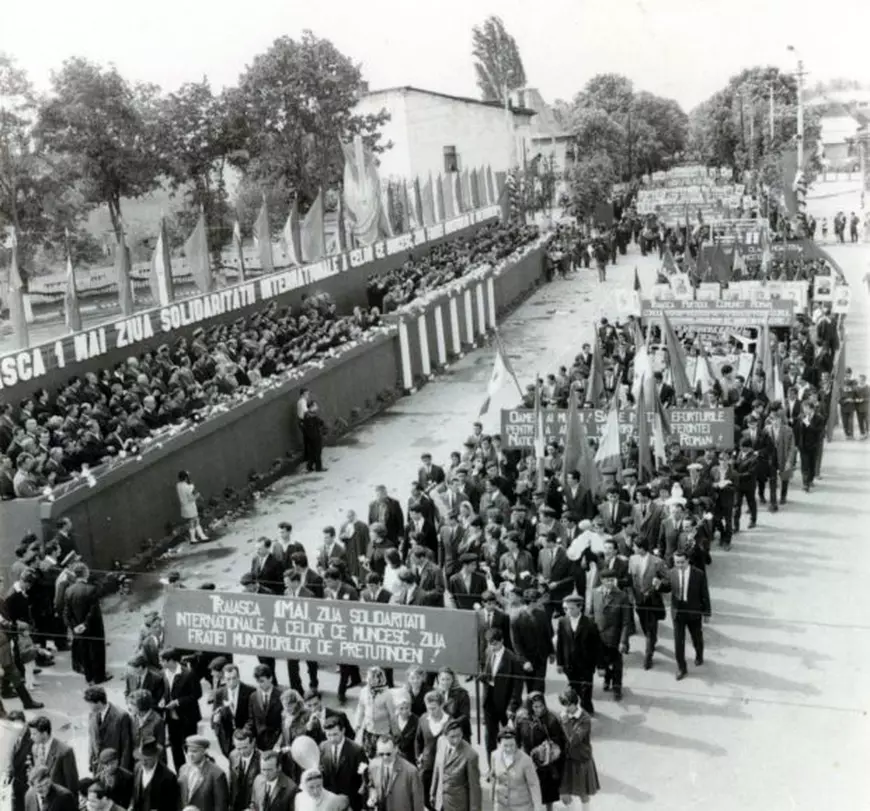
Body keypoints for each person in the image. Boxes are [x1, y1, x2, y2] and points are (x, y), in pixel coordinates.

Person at [660, 549, 712, 681]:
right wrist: (658, 586)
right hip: (678, 612)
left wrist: (707, 613)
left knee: (697, 638)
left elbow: (704, 594)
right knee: (679, 641)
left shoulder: (698, 574)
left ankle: (699, 655)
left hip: (694, 612)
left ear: (688, 560)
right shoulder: (671, 573)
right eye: (677, 562)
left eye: (682, 562)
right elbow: (667, 587)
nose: (680, 565)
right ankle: (681, 668)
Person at [478, 628, 524, 763]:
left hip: (505, 704)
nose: (492, 647)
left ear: (502, 641)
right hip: (489, 701)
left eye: (495, 644)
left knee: (509, 738)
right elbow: (489, 673)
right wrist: (484, 677)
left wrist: (512, 706)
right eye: (490, 644)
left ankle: (511, 766)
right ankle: (491, 767)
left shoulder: (512, 659)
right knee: (489, 737)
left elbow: (517, 687)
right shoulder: (487, 652)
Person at [515, 692, 565, 811]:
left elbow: (558, 742)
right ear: (529, 706)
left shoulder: (551, 720)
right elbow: (517, 738)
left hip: (546, 762)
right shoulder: (522, 718)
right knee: (529, 793)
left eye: (541, 706)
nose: (539, 709)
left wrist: (544, 749)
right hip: (527, 760)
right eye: (535, 706)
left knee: (548, 794)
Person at [588, 568, 631, 700]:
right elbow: (591, 614)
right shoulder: (595, 593)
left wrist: (623, 641)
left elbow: (626, 622)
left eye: (612, 580)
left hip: (615, 637)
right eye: (607, 580)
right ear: (601, 580)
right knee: (603, 661)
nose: (610, 583)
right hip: (599, 636)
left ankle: (617, 687)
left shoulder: (622, 596)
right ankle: (607, 679)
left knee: (617, 663)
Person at [63, 563, 110, 685]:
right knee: (97, 651)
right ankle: (99, 676)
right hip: (93, 626)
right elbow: (93, 611)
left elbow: (67, 612)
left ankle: (88, 677)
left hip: (77, 628)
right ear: (86, 573)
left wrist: (74, 626)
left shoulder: (69, 590)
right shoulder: (91, 589)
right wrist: (85, 624)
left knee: (84, 651)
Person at [554, 594, 600, 714]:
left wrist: (600, 666)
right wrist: (559, 663)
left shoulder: (589, 623)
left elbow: (597, 646)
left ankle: (586, 710)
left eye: (571, 608)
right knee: (574, 689)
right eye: (566, 609)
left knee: (586, 690)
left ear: (580, 607)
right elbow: (560, 644)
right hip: (569, 664)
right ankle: (579, 708)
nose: (568, 611)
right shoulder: (562, 622)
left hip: (586, 665)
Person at [627, 538, 668, 670]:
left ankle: (648, 656)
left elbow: (667, 579)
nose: (633, 549)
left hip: (652, 601)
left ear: (642, 548)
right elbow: (631, 579)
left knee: (650, 627)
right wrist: (631, 596)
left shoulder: (658, 562)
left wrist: (659, 583)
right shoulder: (632, 559)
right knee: (645, 625)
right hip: (639, 600)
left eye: (635, 546)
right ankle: (652, 640)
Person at [557, 688, 599, 810]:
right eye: (563, 704)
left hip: (581, 759)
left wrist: (565, 722)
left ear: (575, 703)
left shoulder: (584, 718)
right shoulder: (563, 715)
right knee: (564, 793)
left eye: (568, 704)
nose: (566, 707)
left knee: (582, 793)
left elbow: (574, 739)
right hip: (567, 760)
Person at [430, 718, 481, 811]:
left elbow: (475, 788)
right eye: (452, 737)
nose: (456, 740)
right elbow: (437, 768)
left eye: (459, 735)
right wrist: (432, 792)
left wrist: (475, 809)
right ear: (445, 736)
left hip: (458, 805)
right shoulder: (440, 742)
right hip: (440, 802)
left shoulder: (471, 755)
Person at [319, 714, 367, 811]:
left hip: (350, 801)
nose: (332, 739)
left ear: (343, 731)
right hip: (330, 800)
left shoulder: (357, 751)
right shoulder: (323, 747)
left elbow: (364, 778)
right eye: (328, 735)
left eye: (335, 734)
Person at [366, 733, 425, 811]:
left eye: (388, 754)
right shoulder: (373, 765)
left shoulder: (411, 771)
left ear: (396, 749)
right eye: (381, 754)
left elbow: (418, 803)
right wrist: (373, 797)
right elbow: (372, 785)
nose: (385, 758)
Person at [489, 728, 542, 811]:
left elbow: (533, 784)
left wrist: (538, 807)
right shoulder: (494, 756)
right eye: (505, 745)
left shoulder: (526, 760)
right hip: (501, 806)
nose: (509, 749)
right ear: (499, 744)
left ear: (516, 743)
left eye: (512, 745)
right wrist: (493, 800)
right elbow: (494, 778)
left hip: (521, 806)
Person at [84, 686, 133, 774]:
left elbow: (126, 746)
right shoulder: (92, 715)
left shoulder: (121, 716)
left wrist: (123, 771)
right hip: (98, 768)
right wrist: (90, 761)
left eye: (89, 703)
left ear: (98, 702)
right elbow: (91, 740)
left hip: (114, 768)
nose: (88, 706)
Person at [27, 715, 79, 794]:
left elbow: (72, 784)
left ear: (44, 734)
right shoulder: (35, 748)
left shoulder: (65, 751)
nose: (31, 737)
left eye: (34, 734)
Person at [177, 735, 229, 811]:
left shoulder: (217, 774)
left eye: (194, 751)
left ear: (204, 751)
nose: (190, 755)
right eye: (188, 751)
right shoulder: (183, 769)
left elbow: (221, 806)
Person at [353, 666, 396, 758]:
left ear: (379, 679)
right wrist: (357, 724)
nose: (369, 680)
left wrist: (394, 732)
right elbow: (360, 708)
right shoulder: (363, 691)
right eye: (368, 677)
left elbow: (392, 715)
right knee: (368, 756)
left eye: (372, 677)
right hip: (368, 731)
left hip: (383, 732)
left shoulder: (387, 694)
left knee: (383, 756)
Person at [129, 737, 179, 811]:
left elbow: (171, 807)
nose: (143, 763)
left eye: (147, 760)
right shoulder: (137, 768)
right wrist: (131, 806)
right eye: (141, 759)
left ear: (156, 757)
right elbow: (135, 794)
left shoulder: (169, 777)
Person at [302, 401, 327, 473]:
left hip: (310, 437)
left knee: (313, 452)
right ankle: (318, 467)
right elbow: (321, 422)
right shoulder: (312, 417)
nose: (317, 407)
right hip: (315, 437)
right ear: (311, 407)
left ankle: (309, 466)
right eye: (315, 406)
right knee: (318, 452)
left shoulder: (307, 415)